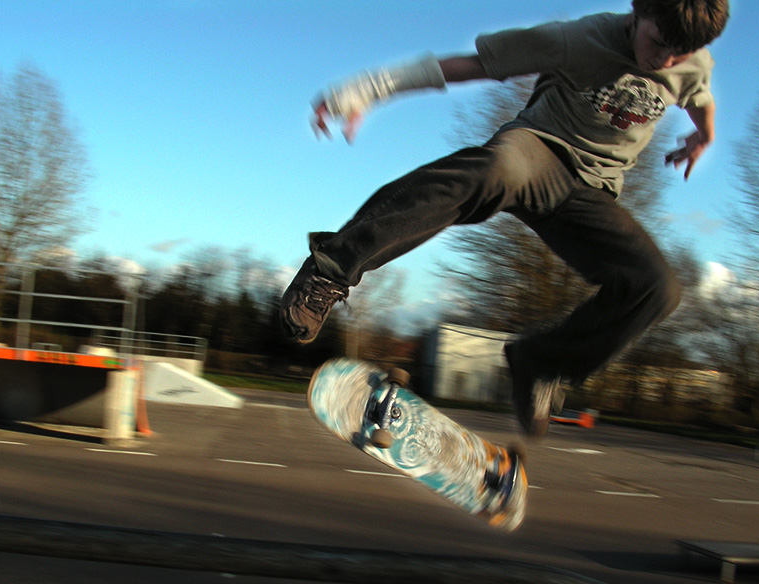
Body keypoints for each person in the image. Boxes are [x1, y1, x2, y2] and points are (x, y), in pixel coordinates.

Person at [281, 0, 730, 437]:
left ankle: (539, 363)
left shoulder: (693, 62)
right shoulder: (577, 39)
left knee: (656, 288)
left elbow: (699, 96)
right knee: (492, 170)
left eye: (680, 53)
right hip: (538, 151)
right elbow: (470, 65)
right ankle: (330, 268)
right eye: (658, 43)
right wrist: (368, 88)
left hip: (591, 194)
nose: (665, 60)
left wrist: (703, 137)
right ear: (638, 10)